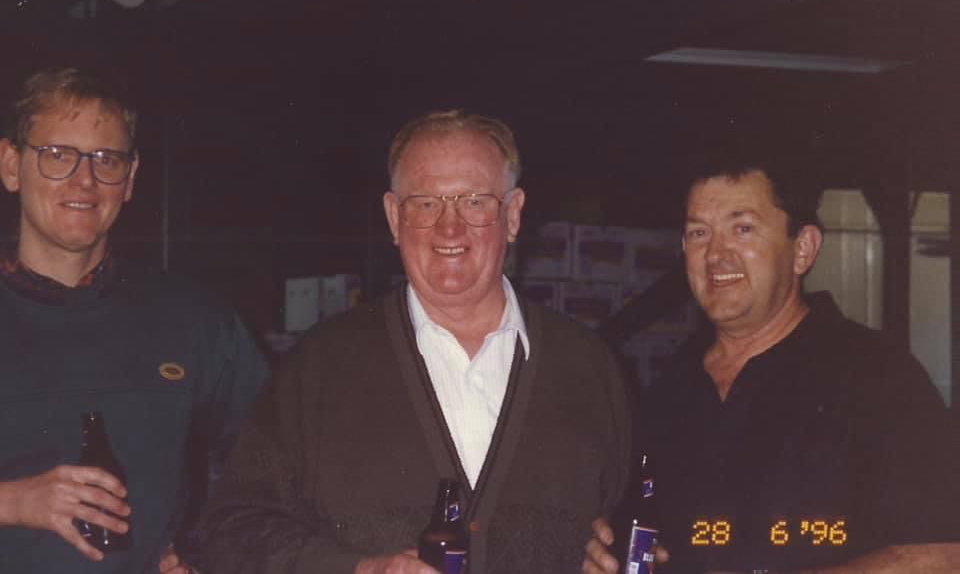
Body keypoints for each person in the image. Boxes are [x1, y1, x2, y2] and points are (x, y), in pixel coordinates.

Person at [189, 110, 632, 573]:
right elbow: (230, 532)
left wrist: (621, 553)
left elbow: (635, 520)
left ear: (513, 214)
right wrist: (356, 570)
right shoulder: (319, 368)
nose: (449, 228)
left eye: (474, 201)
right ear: (393, 217)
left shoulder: (589, 367)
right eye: (425, 203)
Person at [583, 145, 960, 573]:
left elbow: (946, 554)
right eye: (698, 233)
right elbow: (646, 527)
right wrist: (607, 546)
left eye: (742, 229)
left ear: (803, 249)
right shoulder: (668, 390)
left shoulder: (879, 379)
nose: (716, 255)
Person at [0, 67, 268, 573]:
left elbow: (275, 467)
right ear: (12, 166)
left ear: (131, 180)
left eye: (107, 159)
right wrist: (15, 501)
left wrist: (204, 549)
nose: (85, 180)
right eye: (58, 155)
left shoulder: (192, 321)